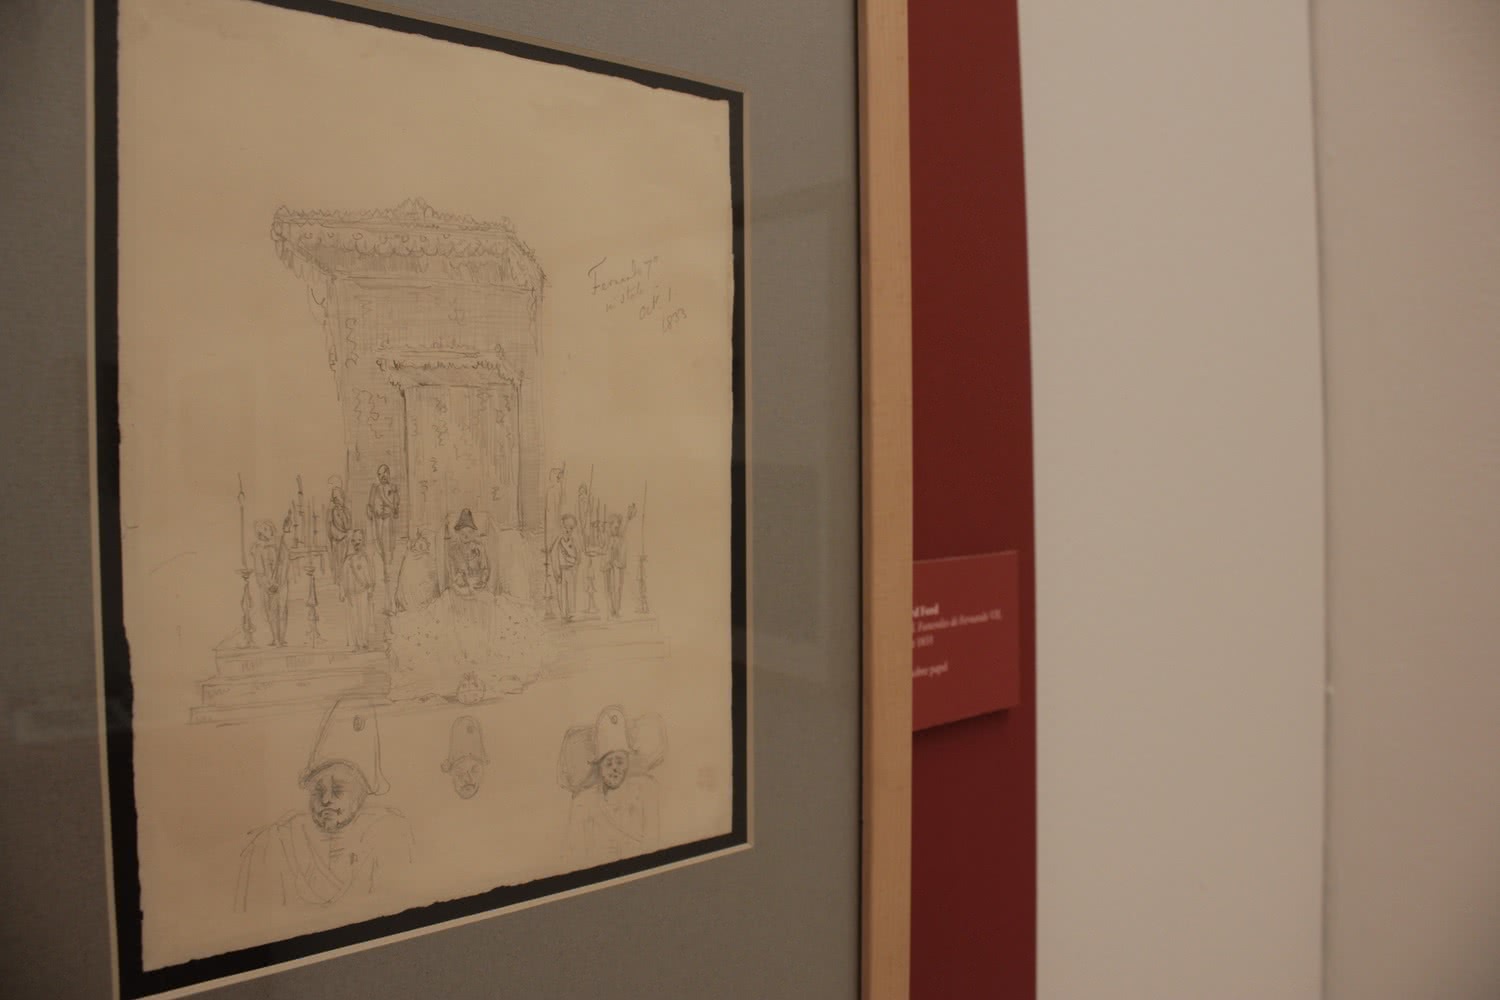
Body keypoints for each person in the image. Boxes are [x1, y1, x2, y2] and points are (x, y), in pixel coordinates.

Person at [234, 700, 413, 912]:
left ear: (361, 795)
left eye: (338, 790)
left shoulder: (388, 834)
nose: (326, 799)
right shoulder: (274, 843)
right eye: (318, 791)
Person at [560, 706, 662, 866]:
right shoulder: (582, 803)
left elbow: (653, 846)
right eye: (608, 763)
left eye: (620, 761)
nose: (615, 768)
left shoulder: (646, 791)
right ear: (599, 766)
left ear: (628, 762)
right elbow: (574, 856)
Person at [252, 518, 290, 647]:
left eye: (268, 528)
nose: (267, 531)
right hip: (268, 585)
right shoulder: (258, 548)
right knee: (271, 611)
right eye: (264, 530)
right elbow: (259, 570)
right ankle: (275, 638)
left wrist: (280, 580)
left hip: (281, 583)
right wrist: (268, 584)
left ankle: (282, 638)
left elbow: (285, 563)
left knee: (282, 609)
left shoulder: (280, 544)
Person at [341, 529, 377, 650]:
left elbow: (370, 574)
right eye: (354, 540)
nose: (357, 543)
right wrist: (342, 591)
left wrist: (370, 588)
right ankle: (354, 642)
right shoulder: (347, 560)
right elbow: (343, 577)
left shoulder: (365, 558)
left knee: (363, 616)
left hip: (363, 591)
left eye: (359, 540)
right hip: (350, 593)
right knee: (353, 617)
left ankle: (363, 640)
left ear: (363, 541)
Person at [440, 715, 488, 800]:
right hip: (474, 753)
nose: (468, 779)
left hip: (458, 755)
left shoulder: (453, 770)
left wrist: (448, 766)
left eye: (462, 788)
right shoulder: (477, 770)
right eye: (474, 770)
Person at [445, 509, 491, 597]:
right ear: (458, 533)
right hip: (460, 590)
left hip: (478, 588)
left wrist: (483, 580)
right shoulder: (453, 551)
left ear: (474, 533)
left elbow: (485, 569)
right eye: (462, 532)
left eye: (469, 532)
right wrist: (458, 579)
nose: (466, 535)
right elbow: (451, 574)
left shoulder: (479, 549)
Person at [365, 463, 400, 580]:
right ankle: (385, 566)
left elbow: (396, 501)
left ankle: (387, 569)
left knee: (388, 545)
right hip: (378, 519)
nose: (382, 476)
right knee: (379, 543)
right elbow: (370, 503)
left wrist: (395, 509)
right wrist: (370, 511)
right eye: (379, 474)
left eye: (384, 473)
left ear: (388, 474)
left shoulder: (393, 487)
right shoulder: (375, 487)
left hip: (388, 519)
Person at [393, 529, 438, 612]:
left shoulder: (425, 557)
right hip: (411, 588)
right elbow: (404, 576)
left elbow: (431, 575)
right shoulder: (410, 556)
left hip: (422, 586)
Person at [603, 508, 635, 618]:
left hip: (617, 566)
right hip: (609, 566)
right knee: (609, 588)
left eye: (617, 525)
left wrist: (628, 518)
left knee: (617, 588)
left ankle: (616, 610)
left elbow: (624, 530)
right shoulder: (608, 539)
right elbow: (604, 551)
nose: (616, 527)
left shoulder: (620, 539)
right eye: (613, 525)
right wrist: (607, 562)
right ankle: (612, 609)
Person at [549, 514, 580, 621]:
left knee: (570, 591)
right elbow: (553, 554)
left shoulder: (574, 541)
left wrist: (574, 564)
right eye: (565, 527)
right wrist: (556, 570)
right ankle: (563, 613)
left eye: (570, 528)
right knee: (561, 592)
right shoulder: (558, 541)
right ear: (562, 526)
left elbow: (578, 555)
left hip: (571, 569)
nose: (568, 530)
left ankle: (570, 612)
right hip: (561, 569)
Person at [326, 486, 353, 600]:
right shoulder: (332, 512)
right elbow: (331, 529)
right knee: (340, 566)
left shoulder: (346, 511)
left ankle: (347, 588)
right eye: (335, 498)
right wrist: (340, 536)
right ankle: (341, 589)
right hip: (338, 542)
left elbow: (348, 526)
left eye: (338, 498)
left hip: (346, 541)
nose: (337, 501)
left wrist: (343, 516)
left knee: (348, 565)